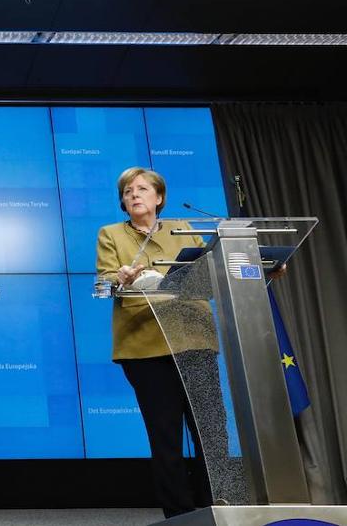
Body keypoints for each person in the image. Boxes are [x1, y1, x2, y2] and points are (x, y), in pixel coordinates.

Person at [96, 166, 226, 519]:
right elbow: (104, 283)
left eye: (141, 189)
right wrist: (120, 279)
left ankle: (220, 507)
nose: (133, 195)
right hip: (146, 347)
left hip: (193, 340)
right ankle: (180, 515)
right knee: (165, 436)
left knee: (211, 432)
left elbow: (211, 274)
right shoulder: (111, 234)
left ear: (159, 197)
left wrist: (261, 269)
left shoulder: (183, 228)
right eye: (127, 191)